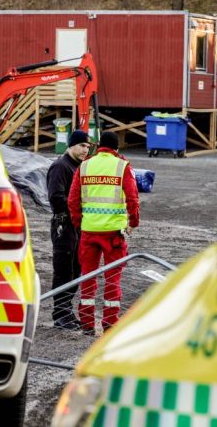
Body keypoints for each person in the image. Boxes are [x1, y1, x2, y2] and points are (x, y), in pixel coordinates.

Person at [68, 131, 140, 335]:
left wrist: (79, 223)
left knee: (88, 277)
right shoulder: (122, 166)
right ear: (116, 149)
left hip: (89, 231)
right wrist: (133, 222)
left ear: (98, 147)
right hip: (113, 234)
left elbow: (73, 200)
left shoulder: (85, 166)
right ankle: (109, 324)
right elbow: (133, 198)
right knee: (112, 278)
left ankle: (87, 324)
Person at [46, 129, 92, 330]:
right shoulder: (60, 167)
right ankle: (60, 314)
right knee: (64, 270)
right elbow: (56, 198)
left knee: (77, 269)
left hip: (77, 226)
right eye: (82, 146)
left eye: (88, 147)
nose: (85, 150)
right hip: (64, 226)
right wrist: (77, 208)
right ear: (71, 145)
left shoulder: (79, 167)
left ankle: (66, 310)